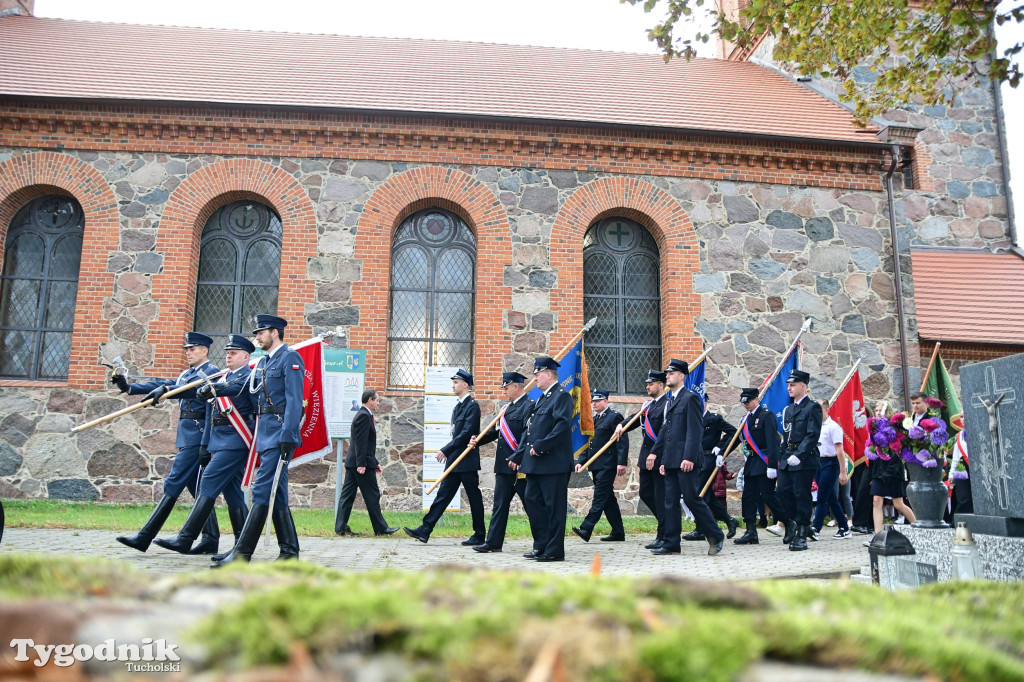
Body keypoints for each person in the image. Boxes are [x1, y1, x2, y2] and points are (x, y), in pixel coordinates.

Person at [112, 332, 221, 553]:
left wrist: (169, 391)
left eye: (192, 349)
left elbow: (191, 391)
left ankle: (144, 537)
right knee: (197, 487)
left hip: (199, 437)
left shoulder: (212, 373)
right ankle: (210, 539)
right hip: (186, 436)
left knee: (173, 482)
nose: (188, 352)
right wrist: (129, 387)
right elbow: (163, 383)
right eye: (186, 349)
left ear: (204, 351)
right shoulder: (186, 373)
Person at [211, 314, 305, 567]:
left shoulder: (290, 358)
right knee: (278, 492)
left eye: (260, 332)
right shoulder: (263, 363)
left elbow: (295, 399)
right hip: (265, 434)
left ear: (274, 332)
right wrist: (216, 389)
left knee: (263, 489)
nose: (257, 337)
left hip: (280, 433)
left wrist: (289, 434)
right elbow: (244, 388)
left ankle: (242, 554)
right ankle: (289, 552)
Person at [152, 333, 255, 556]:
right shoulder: (223, 376)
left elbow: (240, 399)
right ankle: (242, 546)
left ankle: (185, 538)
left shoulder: (248, 377)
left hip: (236, 440)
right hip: (219, 441)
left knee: (207, 482)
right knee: (233, 493)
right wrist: (206, 445)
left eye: (233, 353)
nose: (228, 356)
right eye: (227, 353)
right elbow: (210, 413)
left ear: (246, 357)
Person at [650, 358, 725, 557]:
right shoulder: (672, 399)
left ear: (682, 376)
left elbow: (695, 430)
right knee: (670, 501)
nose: (667, 376)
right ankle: (671, 542)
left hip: (686, 460)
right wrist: (662, 458)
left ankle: (716, 535)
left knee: (692, 499)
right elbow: (667, 432)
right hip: (672, 459)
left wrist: (689, 457)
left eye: (671, 373)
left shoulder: (690, 398)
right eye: (667, 373)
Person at [404, 369, 486, 545]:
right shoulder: (458, 406)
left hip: (466, 460)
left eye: (456, 382)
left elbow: (465, 434)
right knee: (443, 495)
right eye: (453, 382)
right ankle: (425, 530)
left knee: (473, 497)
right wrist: (450, 452)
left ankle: (479, 534)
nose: (453, 385)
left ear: (465, 385)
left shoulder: (472, 406)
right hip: (455, 460)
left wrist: (446, 450)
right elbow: (456, 433)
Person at [509, 356, 575, 562]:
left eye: (538, 374)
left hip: (553, 463)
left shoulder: (561, 397)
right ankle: (541, 545)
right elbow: (531, 431)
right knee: (532, 501)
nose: (535, 378)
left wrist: (541, 446)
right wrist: (518, 454)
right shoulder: (542, 398)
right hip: (535, 464)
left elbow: (562, 426)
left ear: (548, 374)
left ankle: (554, 550)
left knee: (554, 507)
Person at [469, 372, 537, 553]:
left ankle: (542, 543)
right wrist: (478, 440)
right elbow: (496, 432)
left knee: (532, 506)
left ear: (516, 386)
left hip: (520, 467)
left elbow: (527, 435)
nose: (504, 391)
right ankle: (493, 543)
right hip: (504, 466)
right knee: (499, 506)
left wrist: (518, 456)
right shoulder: (507, 408)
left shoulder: (529, 406)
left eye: (506, 387)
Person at [616, 370, 669, 549]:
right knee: (646, 493)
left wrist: (656, 453)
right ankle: (666, 524)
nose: (647, 386)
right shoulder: (649, 405)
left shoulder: (667, 404)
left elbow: (664, 432)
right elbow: (635, 419)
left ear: (660, 385)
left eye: (651, 383)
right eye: (647, 384)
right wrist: (621, 425)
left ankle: (664, 534)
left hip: (659, 456)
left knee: (661, 497)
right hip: (646, 457)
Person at [335, 389, 399, 537]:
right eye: (377, 400)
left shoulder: (364, 415)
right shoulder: (364, 416)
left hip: (355, 462)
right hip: (359, 464)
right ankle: (381, 528)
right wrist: (362, 464)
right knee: (372, 494)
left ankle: (340, 527)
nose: (378, 403)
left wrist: (374, 462)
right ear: (370, 400)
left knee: (347, 496)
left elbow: (365, 444)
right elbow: (360, 442)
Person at [733, 387, 791, 545]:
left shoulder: (766, 416)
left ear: (756, 399)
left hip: (764, 461)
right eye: (744, 402)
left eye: (748, 401)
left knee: (768, 496)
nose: (746, 404)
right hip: (751, 463)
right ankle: (751, 531)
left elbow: (773, 442)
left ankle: (789, 524)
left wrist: (772, 465)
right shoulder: (745, 419)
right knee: (748, 497)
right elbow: (736, 439)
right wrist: (721, 451)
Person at [572, 389, 628, 542]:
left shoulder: (614, 417)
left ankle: (586, 528)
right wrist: (581, 461)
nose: (594, 403)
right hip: (596, 465)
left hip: (608, 465)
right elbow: (589, 443)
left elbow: (622, 440)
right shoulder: (594, 420)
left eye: (597, 400)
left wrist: (621, 462)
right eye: (593, 401)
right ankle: (618, 532)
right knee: (608, 499)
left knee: (599, 498)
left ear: (606, 401)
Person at [777, 369, 822, 552]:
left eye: (793, 385)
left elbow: (812, 435)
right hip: (788, 456)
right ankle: (796, 522)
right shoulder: (789, 409)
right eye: (788, 385)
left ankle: (802, 532)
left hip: (805, 458)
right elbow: (786, 436)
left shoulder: (812, 407)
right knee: (782, 493)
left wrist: (800, 455)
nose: (789, 388)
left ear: (803, 387)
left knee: (801, 494)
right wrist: (781, 459)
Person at [686, 404, 738, 541]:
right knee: (707, 495)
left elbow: (734, 433)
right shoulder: (692, 419)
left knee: (699, 495)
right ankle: (729, 520)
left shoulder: (714, 419)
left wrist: (720, 448)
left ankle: (700, 529)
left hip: (709, 461)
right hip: (696, 461)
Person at [810, 399, 852, 539]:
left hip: (830, 463)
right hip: (818, 463)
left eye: (820, 410)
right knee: (831, 497)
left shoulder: (833, 427)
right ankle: (844, 527)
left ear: (827, 410)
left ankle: (816, 528)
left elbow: (839, 450)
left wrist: (842, 472)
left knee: (822, 496)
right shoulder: (815, 426)